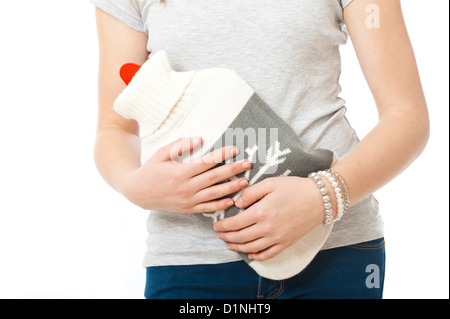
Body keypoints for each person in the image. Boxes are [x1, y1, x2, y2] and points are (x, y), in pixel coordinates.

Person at [91, 0, 429, 299]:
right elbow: (115, 128)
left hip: (335, 251)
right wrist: (133, 184)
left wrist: (322, 195)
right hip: (191, 260)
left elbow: (407, 117)